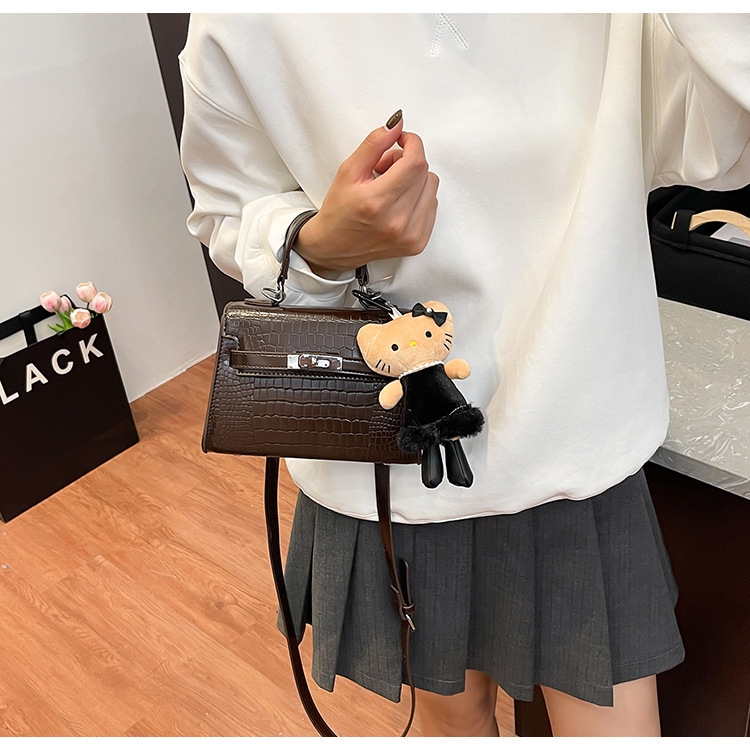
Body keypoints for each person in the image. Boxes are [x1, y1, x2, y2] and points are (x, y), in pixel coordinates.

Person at [179, 14, 750, 736]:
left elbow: (722, 147)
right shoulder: (243, 19)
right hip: (391, 457)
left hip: (574, 436)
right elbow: (226, 208)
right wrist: (319, 243)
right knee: (454, 725)